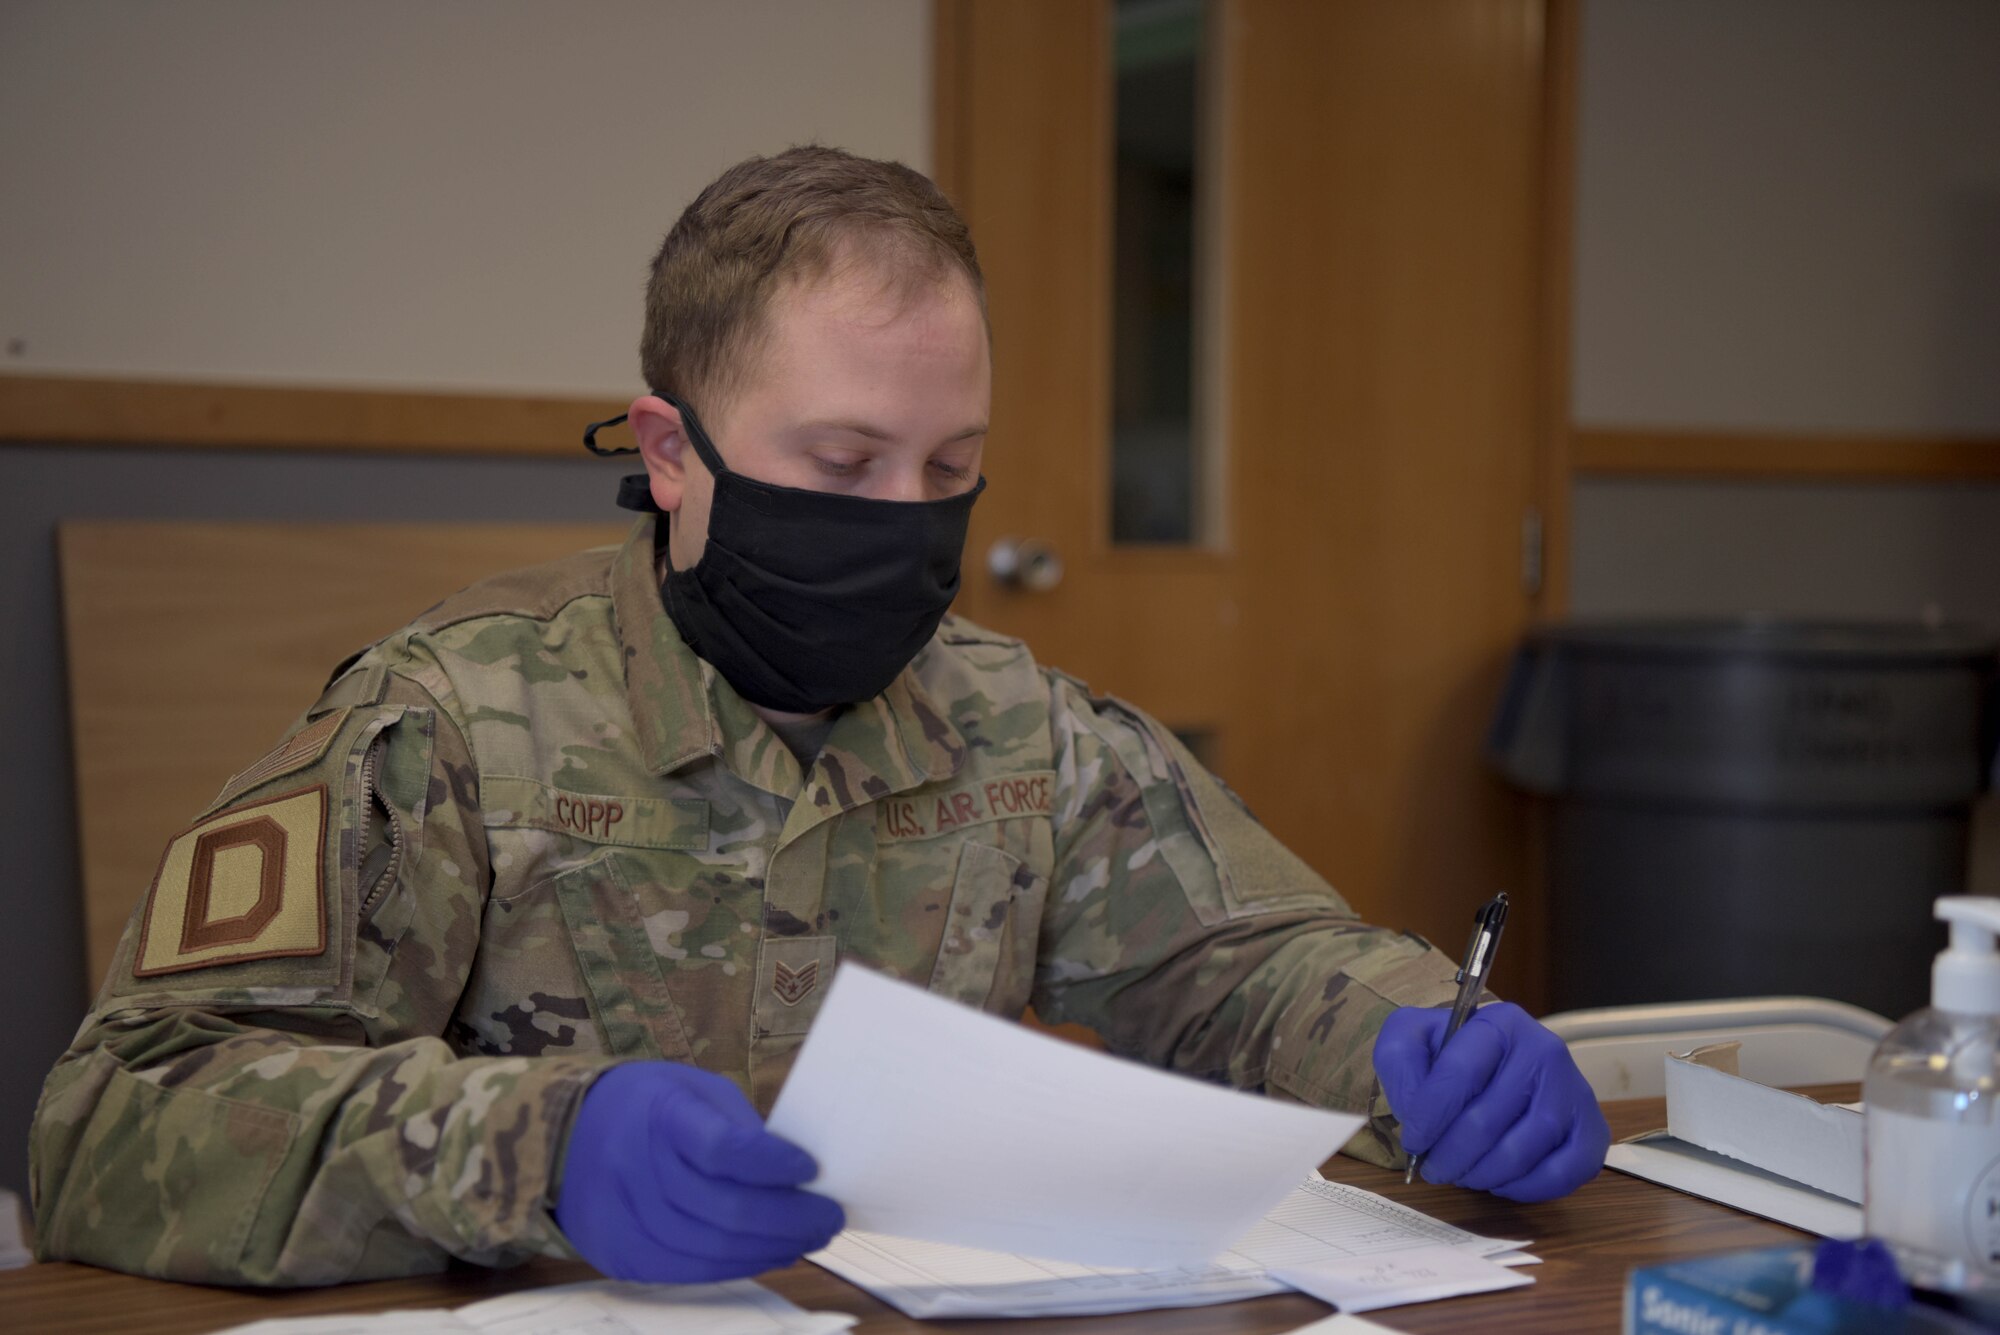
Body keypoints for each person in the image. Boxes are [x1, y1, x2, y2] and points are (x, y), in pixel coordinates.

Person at [30, 146, 1608, 1287]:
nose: (902, 518)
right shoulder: (450, 725)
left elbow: (1245, 968)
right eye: (844, 463)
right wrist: (535, 1154)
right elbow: (116, 1117)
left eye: (948, 467)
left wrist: (1418, 1045)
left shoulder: (1017, 726)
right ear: (668, 451)